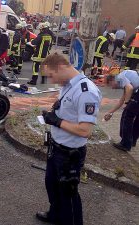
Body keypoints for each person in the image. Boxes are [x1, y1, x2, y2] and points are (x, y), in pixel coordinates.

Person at [36, 52, 102, 225]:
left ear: (60, 67)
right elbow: (68, 109)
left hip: (70, 154)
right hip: (56, 147)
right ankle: (55, 215)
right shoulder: (67, 85)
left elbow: (85, 130)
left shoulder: (86, 91)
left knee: (68, 193)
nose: (51, 81)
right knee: (52, 185)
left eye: (51, 75)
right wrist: (54, 112)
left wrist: (57, 121)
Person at [104, 70, 139, 151]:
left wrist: (127, 103)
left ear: (113, 80)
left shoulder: (120, 77)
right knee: (137, 118)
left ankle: (125, 144)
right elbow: (121, 101)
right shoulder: (126, 82)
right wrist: (110, 112)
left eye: (110, 85)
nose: (112, 88)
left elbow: (129, 89)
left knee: (127, 115)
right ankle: (132, 140)